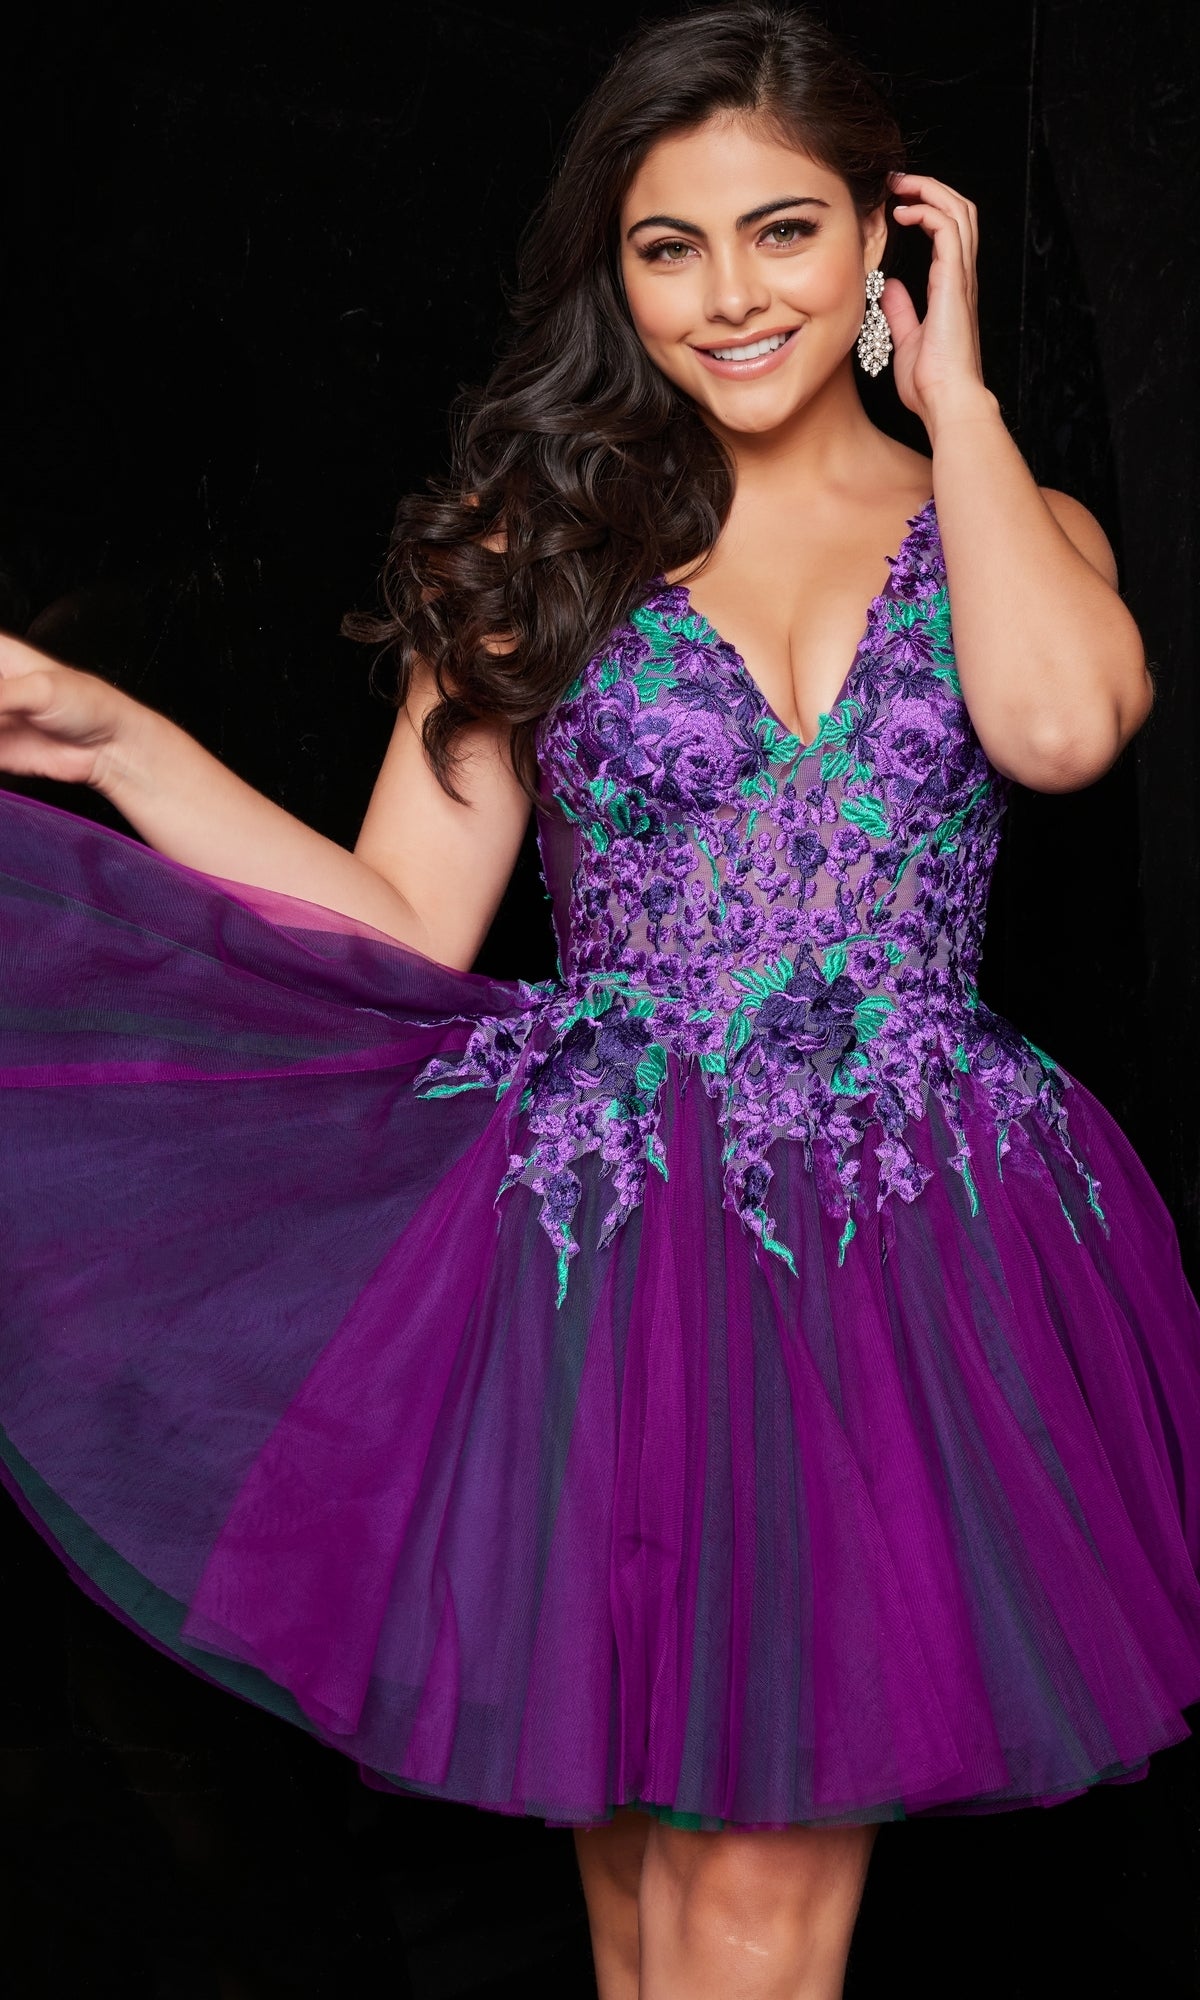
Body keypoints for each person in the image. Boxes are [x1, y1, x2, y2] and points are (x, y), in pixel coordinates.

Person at [1, 6, 1197, 1996]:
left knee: (740, 1917)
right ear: (613, 271)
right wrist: (114, 738)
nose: (730, 296)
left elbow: (1063, 730)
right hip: (619, 1270)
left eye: (786, 231)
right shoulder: (536, 551)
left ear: (885, 240)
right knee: (654, 1929)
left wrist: (962, 390)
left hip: (904, 1268)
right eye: (670, 246)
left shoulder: (1008, 536)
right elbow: (396, 928)